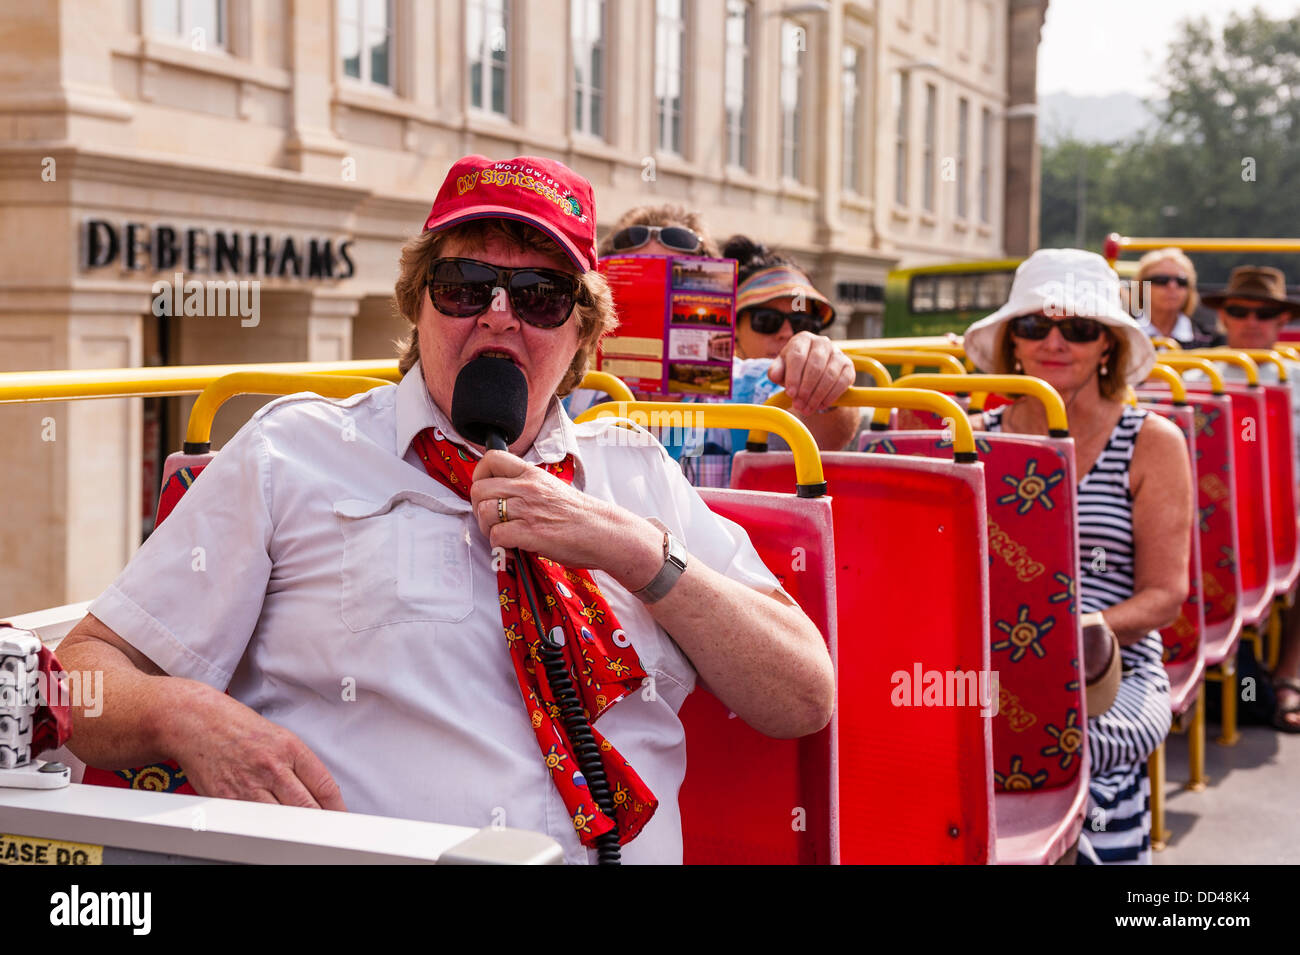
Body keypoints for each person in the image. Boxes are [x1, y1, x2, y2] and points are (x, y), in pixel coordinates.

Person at [54, 155, 835, 865]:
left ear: (582, 333)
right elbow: (81, 674)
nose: (499, 315)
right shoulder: (291, 453)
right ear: (418, 306)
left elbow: (802, 695)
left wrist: (637, 551)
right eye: (464, 285)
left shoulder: (637, 475)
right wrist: (186, 715)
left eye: (539, 296)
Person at [964, 248, 1192, 864]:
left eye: (1080, 328)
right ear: (1013, 342)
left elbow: (1166, 596)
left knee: (1080, 740)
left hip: (1106, 657)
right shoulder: (965, 435)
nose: (1055, 341)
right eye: (1036, 325)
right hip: (983, 655)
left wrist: (1067, 634)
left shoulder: (1151, 442)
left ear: (1107, 347)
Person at [577, 204, 858, 487]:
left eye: (675, 282)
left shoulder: (746, 387)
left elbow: (830, 435)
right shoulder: (568, 390)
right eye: (640, 290)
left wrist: (822, 374)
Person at [1202, 265, 1300, 733]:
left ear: (1282, 321)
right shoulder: (1193, 375)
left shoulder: (1296, 376)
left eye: (1265, 312)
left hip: (1288, 514)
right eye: (1239, 310)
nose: (1251, 320)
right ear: (1224, 317)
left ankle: (1287, 676)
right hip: (1207, 513)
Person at [1133, 247, 1222, 348]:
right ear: (1141, 286)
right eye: (1161, 280)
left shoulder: (1209, 341)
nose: (1172, 286)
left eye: (1181, 281)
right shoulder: (1121, 336)